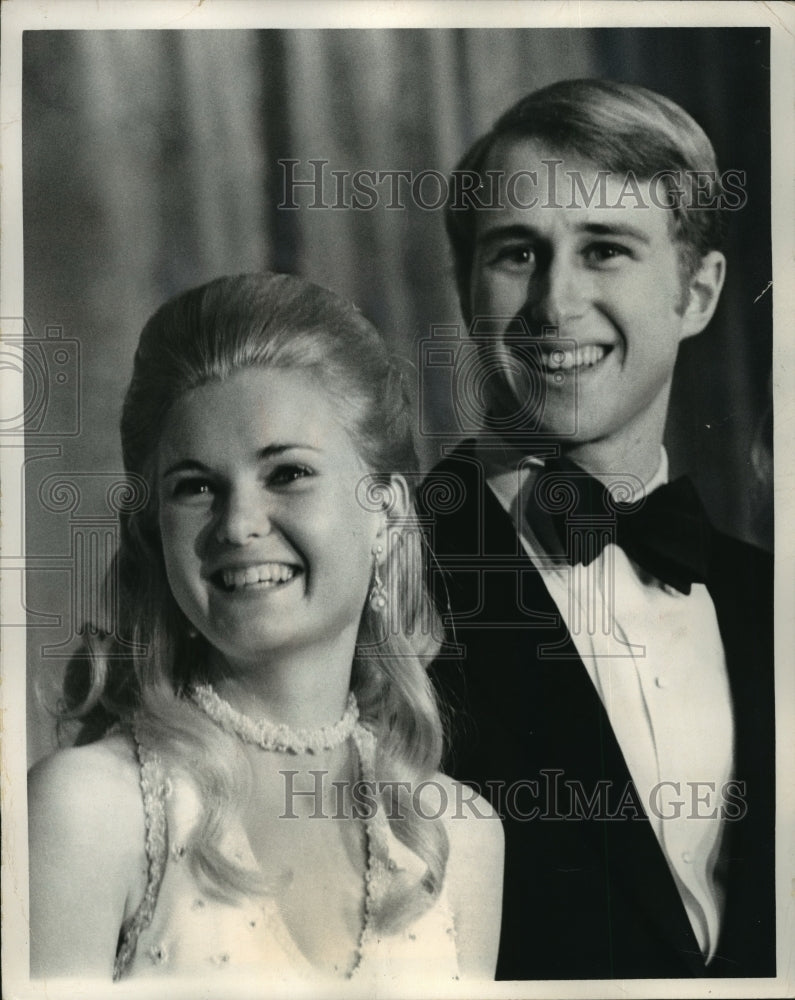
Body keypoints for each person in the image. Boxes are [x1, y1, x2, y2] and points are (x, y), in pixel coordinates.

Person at [28, 272, 503, 984]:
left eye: (286, 474)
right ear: (154, 531)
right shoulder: (89, 808)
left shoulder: (457, 836)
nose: (239, 524)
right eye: (195, 487)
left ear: (388, 511)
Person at [421, 79, 775, 980]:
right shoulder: (376, 580)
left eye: (605, 249)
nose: (554, 302)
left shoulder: (768, 601)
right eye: (515, 253)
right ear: (468, 291)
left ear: (696, 292)